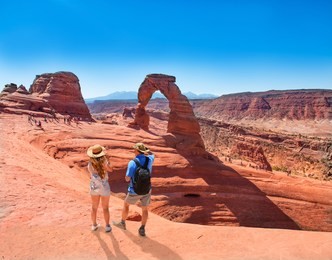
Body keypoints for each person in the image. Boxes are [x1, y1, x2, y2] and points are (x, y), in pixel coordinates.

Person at [113, 142, 155, 236]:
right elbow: (152, 154)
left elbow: (127, 178)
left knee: (126, 205)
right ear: (143, 151)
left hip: (134, 190)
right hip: (147, 189)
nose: (133, 150)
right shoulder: (150, 159)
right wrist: (147, 149)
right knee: (144, 209)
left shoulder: (132, 162)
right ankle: (142, 228)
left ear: (136, 151)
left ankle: (122, 223)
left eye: (134, 149)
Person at [87, 144, 113, 232]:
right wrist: (108, 161)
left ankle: (94, 225)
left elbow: (91, 173)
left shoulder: (90, 163)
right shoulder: (104, 162)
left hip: (94, 185)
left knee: (94, 207)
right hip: (104, 185)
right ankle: (107, 226)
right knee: (105, 207)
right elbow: (110, 170)